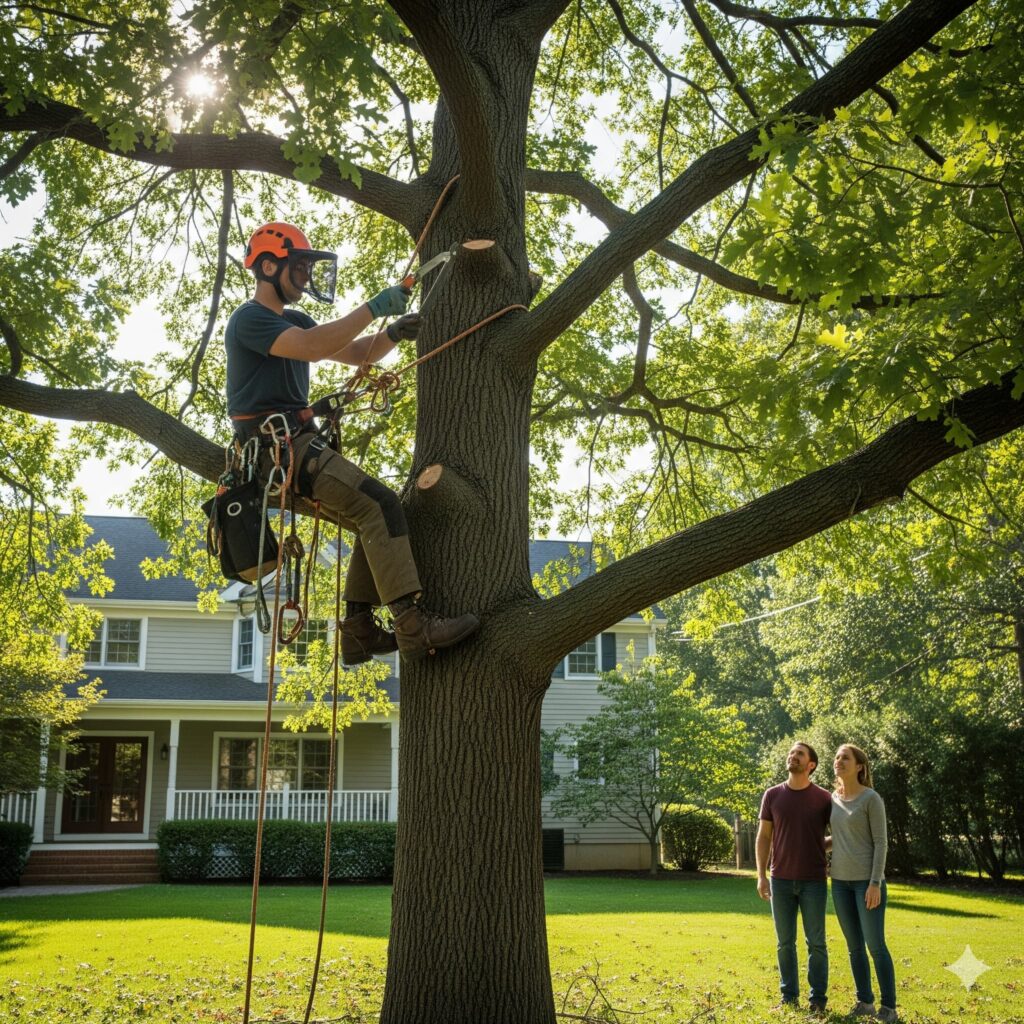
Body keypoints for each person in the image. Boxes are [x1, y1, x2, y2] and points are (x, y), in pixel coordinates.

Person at [226, 220, 480, 664]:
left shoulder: (297, 321)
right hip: (276, 452)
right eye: (299, 268)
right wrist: (373, 307)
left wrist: (392, 333)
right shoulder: (249, 319)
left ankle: (359, 628)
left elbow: (356, 352)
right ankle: (413, 627)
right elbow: (311, 347)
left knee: (372, 510)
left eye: (308, 270)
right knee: (379, 503)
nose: (305, 278)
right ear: (268, 266)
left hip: (297, 444)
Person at [756, 741, 833, 1014]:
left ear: (811, 764)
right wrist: (761, 875)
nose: (793, 756)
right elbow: (764, 837)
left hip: (814, 882)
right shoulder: (772, 795)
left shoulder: (824, 798)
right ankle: (788, 998)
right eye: (791, 753)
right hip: (780, 881)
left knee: (817, 944)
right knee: (784, 943)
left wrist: (817, 846)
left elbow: (840, 834)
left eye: (799, 753)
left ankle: (818, 1001)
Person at [830, 743, 897, 1021]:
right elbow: (837, 838)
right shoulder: (833, 799)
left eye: (845, 758)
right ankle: (864, 1002)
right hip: (839, 884)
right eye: (837, 757)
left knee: (875, 946)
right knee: (854, 946)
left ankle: (889, 1008)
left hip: (866, 884)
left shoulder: (871, 798)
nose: (839, 761)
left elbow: (881, 843)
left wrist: (874, 883)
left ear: (859, 766)